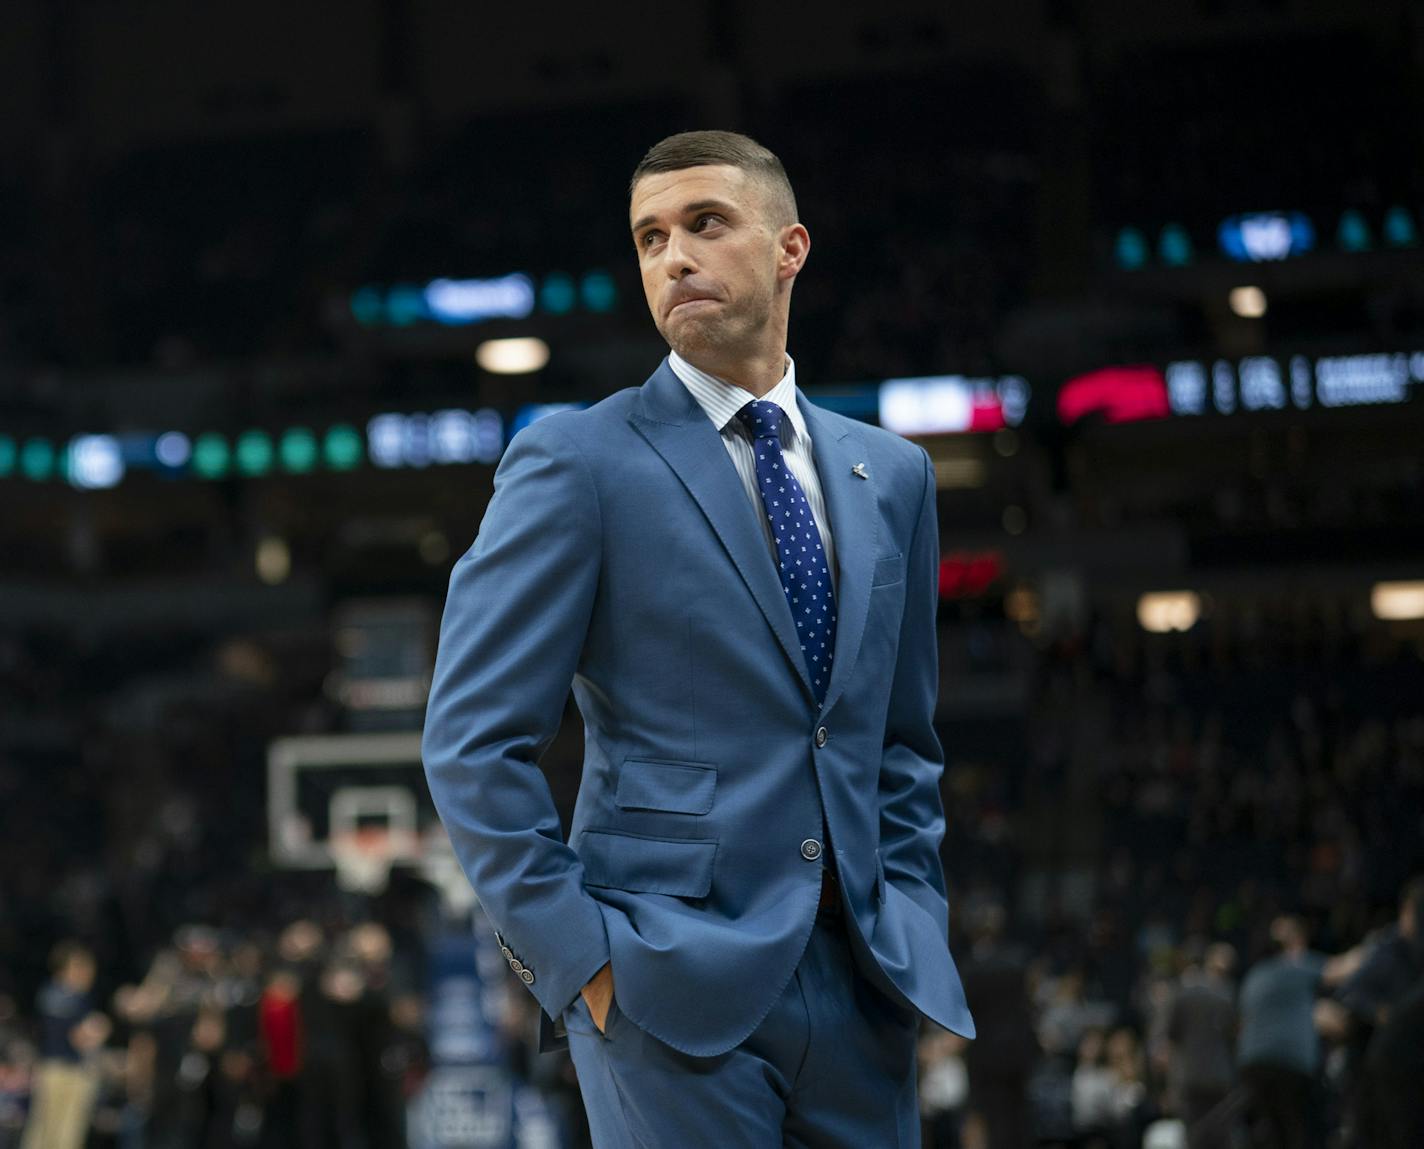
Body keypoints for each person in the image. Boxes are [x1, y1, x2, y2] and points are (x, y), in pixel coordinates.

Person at [423, 129, 974, 1146]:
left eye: (704, 225)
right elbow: (470, 743)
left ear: (788, 248)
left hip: (864, 987)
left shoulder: (891, 475)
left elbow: (898, 741)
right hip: (661, 989)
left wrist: (909, 919)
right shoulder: (573, 461)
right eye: (648, 238)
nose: (672, 256)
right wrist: (580, 963)